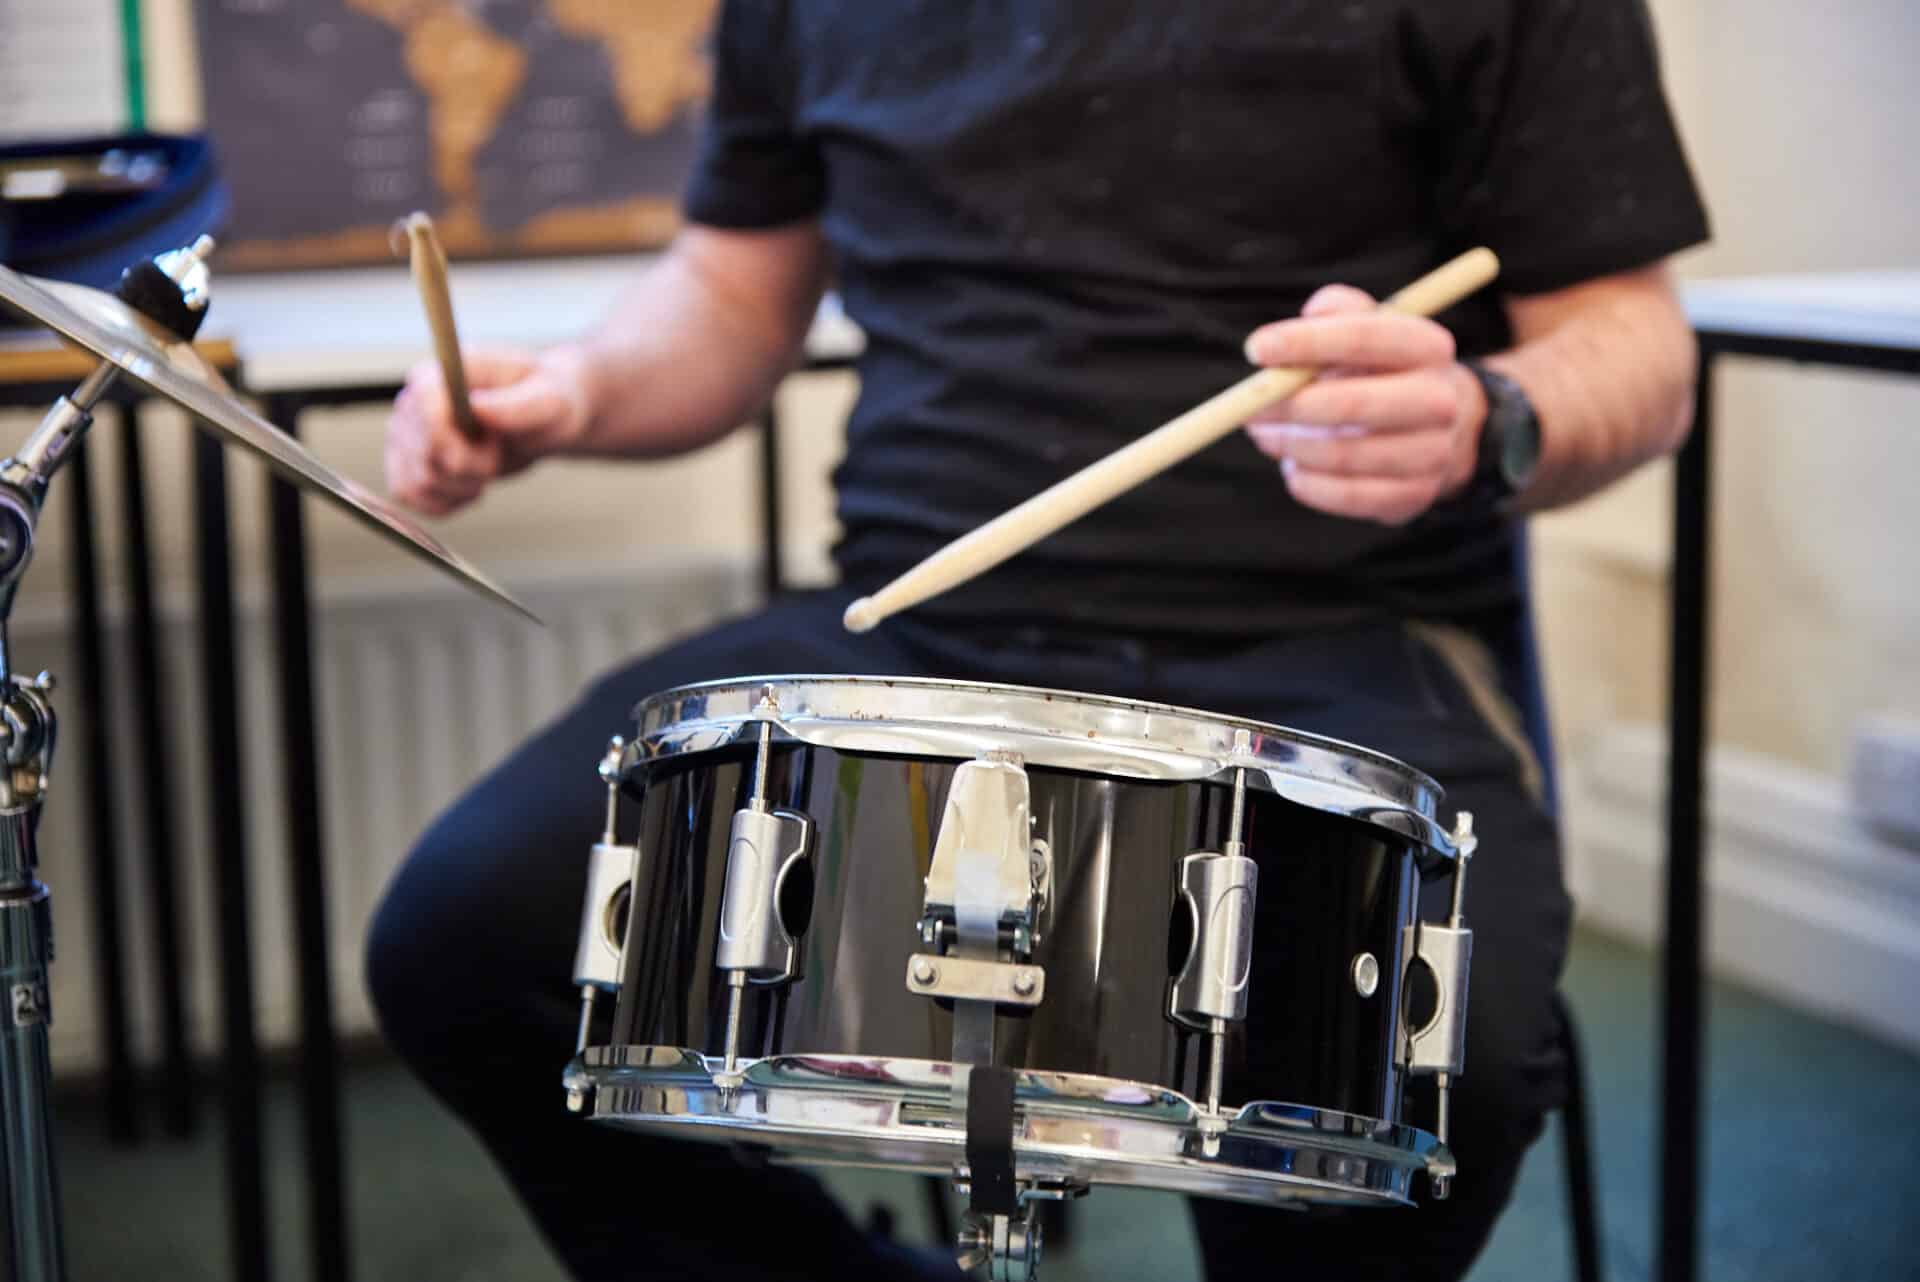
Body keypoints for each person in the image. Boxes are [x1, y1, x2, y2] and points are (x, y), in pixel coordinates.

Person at [368, 2, 1708, 1279]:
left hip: (1335, 642)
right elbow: (733, 288)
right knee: (469, 939)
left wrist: (1486, 413)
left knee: (1429, 1072)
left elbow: (1634, 341)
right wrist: (580, 387)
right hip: (918, 630)